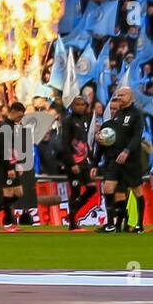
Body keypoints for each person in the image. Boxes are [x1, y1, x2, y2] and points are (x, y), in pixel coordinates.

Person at [97, 86, 144, 233]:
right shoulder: (118, 115)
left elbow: (137, 136)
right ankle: (111, 223)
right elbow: (113, 136)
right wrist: (102, 139)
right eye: (118, 95)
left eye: (123, 95)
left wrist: (127, 151)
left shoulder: (136, 114)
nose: (120, 97)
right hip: (116, 160)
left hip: (132, 160)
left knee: (137, 191)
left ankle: (139, 225)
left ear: (131, 97)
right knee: (109, 188)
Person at [59, 93, 95, 230]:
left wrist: (91, 159)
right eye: (77, 105)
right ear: (73, 106)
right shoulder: (68, 120)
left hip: (84, 161)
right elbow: (65, 143)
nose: (80, 107)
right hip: (73, 162)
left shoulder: (86, 119)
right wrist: (71, 163)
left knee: (91, 188)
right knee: (75, 191)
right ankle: (73, 223)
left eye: (82, 105)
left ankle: (73, 212)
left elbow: (85, 142)